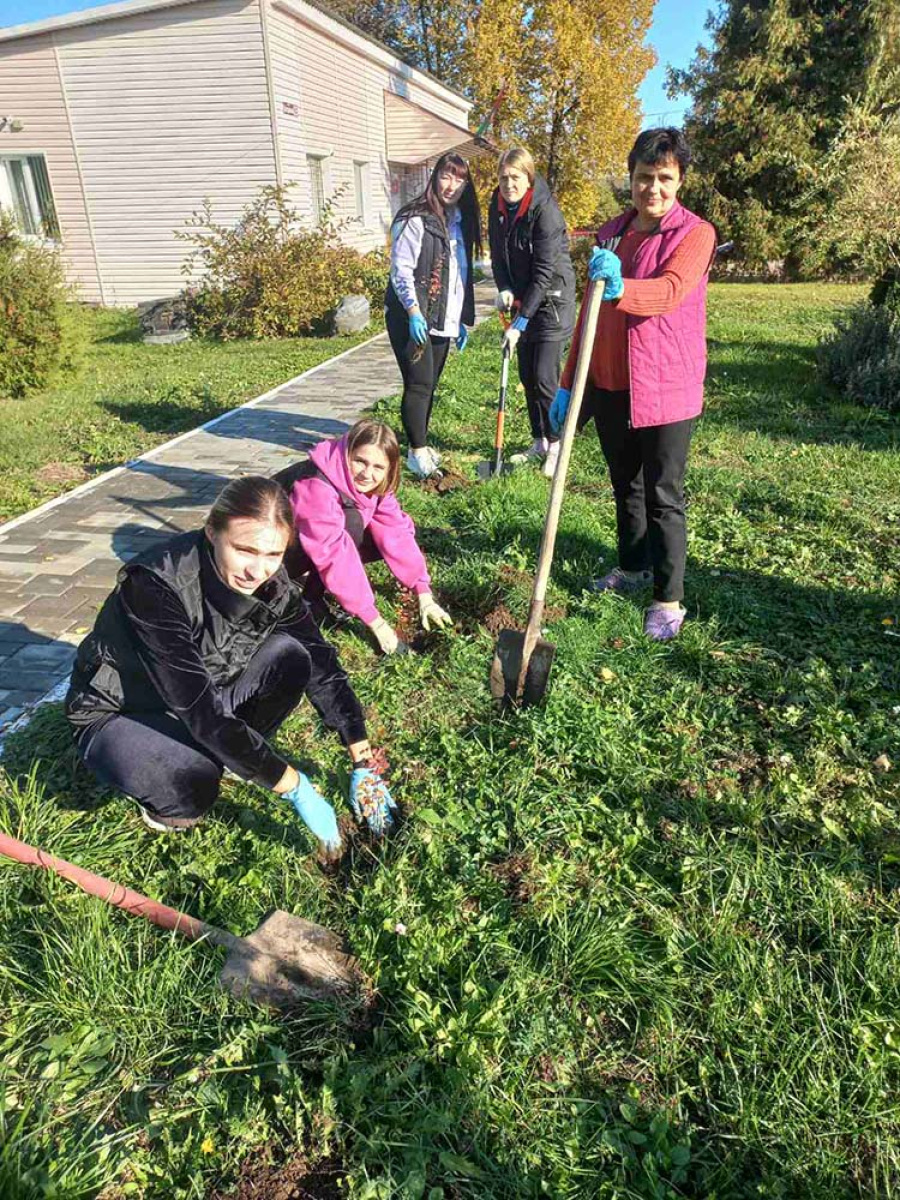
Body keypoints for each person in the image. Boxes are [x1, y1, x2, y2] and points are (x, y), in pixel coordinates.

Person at [65, 476, 395, 853]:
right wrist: (296, 788)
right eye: (245, 550)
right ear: (211, 532)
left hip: (202, 694)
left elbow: (322, 664)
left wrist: (362, 761)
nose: (258, 570)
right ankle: (171, 791)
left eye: (273, 555)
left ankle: (235, 756)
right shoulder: (155, 587)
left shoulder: (272, 584)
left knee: (293, 657)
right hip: (122, 711)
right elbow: (199, 710)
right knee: (193, 785)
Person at [550, 127, 716, 641]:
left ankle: (668, 599)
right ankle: (634, 566)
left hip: (666, 386)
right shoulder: (612, 233)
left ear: (680, 180)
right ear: (631, 179)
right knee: (627, 487)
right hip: (609, 382)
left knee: (664, 494)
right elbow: (588, 316)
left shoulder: (694, 234)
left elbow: (669, 291)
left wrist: (621, 285)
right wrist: (565, 380)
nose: (654, 189)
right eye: (645, 177)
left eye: (665, 178)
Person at [275, 419, 453, 655]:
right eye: (360, 461)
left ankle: (312, 596)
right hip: (265, 554)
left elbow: (397, 534)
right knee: (351, 524)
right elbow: (333, 554)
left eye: (378, 467)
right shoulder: (316, 484)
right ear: (346, 452)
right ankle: (300, 598)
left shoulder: (374, 487)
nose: (367, 474)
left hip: (308, 543)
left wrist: (423, 593)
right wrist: (376, 622)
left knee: (373, 532)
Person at [385, 152, 482, 479]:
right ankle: (415, 452)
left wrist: (460, 320)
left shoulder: (458, 221)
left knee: (430, 384)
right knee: (419, 382)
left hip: (443, 318)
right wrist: (413, 312)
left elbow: (458, 275)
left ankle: (421, 446)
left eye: (459, 179)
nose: (451, 185)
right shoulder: (414, 217)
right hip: (411, 316)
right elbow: (401, 271)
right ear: (434, 176)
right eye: (446, 176)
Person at [488, 146, 576, 478]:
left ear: (529, 177)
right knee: (526, 375)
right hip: (525, 296)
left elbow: (543, 272)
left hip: (552, 301)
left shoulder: (545, 212)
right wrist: (505, 288)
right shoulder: (496, 207)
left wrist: (520, 323)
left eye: (515, 177)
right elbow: (497, 255)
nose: (508, 184)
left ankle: (556, 445)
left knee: (543, 377)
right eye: (503, 177)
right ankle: (538, 440)